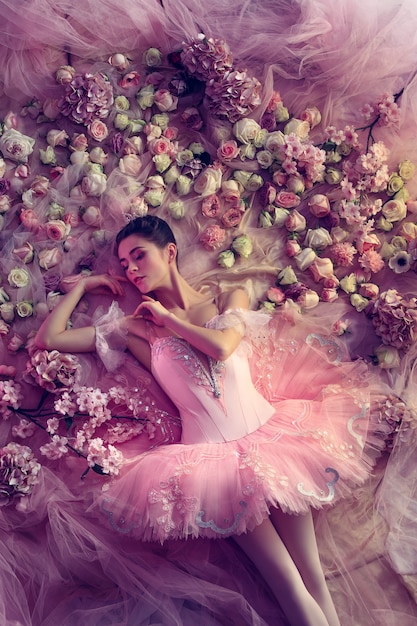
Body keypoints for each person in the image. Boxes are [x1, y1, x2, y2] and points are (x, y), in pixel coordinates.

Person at [34, 213, 385, 626]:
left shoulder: (227, 299)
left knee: (314, 578)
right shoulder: (135, 329)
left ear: (169, 252)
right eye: (124, 263)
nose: (130, 269)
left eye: (138, 256)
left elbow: (221, 347)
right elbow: (49, 339)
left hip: (276, 440)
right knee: (286, 583)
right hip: (211, 464)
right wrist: (87, 288)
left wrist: (171, 322)